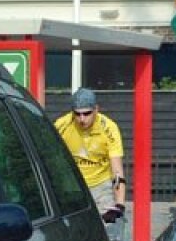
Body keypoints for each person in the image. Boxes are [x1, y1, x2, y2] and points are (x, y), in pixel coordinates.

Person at [54, 87, 127, 226]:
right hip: (73, 187)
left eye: (87, 114)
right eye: (77, 114)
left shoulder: (109, 128)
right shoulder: (61, 125)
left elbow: (117, 170)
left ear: (96, 110)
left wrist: (119, 204)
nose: (82, 119)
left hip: (102, 186)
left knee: (110, 229)